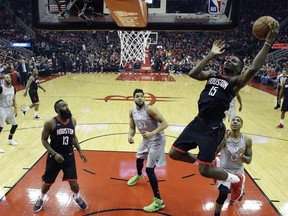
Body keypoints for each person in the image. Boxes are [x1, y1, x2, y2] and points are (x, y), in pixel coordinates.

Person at [168, 20, 279, 200]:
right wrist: (210, 55)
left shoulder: (235, 83)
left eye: (235, 60)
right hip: (198, 121)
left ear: (238, 70)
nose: (230, 59)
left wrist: (268, 42)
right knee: (174, 153)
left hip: (213, 127)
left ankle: (236, 180)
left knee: (204, 171)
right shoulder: (212, 75)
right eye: (230, 58)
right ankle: (209, 160)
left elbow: (254, 68)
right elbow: (193, 74)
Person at [33, 99, 88, 212]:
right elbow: (43, 140)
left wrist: (80, 151)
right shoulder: (50, 123)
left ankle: (76, 197)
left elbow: (73, 137)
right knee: (47, 183)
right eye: (63, 106)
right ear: (57, 110)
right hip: (54, 157)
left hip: (68, 155)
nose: (66, 107)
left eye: (66, 105)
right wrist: (54, 153)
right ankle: (41, 198)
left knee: (74, 183)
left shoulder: (72, 120)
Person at [127, 88, 168, 212]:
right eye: (137, 96)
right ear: (133, 98)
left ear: (144, 98)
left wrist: (153, 133)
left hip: (157, 140)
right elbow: (132, 127)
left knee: (150, 169)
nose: (140, 98)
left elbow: (165, 123)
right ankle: (139, 175)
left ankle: (158, 201)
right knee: (139, 157)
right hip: (147, 139)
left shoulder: (149, 109)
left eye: (142, 96)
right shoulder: (132, 111)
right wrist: (130, 135)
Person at [214, 116, 252, 216]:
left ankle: (233, 198)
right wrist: (224, 140)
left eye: (238, 120)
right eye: (233, 120)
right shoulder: (224, 135)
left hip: (238, 171)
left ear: (242, 125)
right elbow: (215, 152)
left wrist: (243, 156)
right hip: (224, 170)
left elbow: (249, 160)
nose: (235, 122)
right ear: (230, 123)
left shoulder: (247, 140)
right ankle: (216, 214)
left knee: (237, 196)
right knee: (222, 194)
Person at [0, 74, 18, 153]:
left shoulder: (13, 88)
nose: (8, 78)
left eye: (9, 77)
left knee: (15, 125)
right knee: (0, 128)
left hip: (9, 108)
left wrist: (16, 109)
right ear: (4, 79)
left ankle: (10, 139)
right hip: (2, 108)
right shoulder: (1, 88)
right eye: (6, 77)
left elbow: (14, 100)